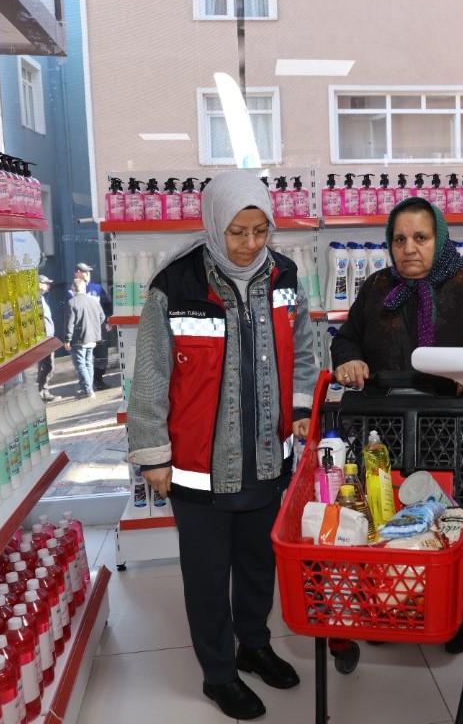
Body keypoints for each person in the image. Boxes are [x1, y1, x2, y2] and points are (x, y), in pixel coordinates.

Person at [126, 170, 317, 721]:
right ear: (213, 224)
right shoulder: (176, 284)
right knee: (207, 574)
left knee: (259, 561)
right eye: (237, 231)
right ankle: (218, 673)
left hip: (266, 454)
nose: (250, 244)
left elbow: (303, 351)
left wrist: (302, 411)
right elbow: (151, 376)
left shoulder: (284, 274)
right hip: (196, 466)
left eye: (261, 230)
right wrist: (153, 453)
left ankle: (254, 645)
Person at [330, 197, 463, 389]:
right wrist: (350, 360)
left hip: (460, 411)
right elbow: (347, 338)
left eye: (421, 238)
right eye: (400, 240)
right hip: (384, 410)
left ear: (440, 240)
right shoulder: (378, 285)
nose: (409, 249)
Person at [67, 262, 113, 390]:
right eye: (85, 271)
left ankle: (98, 380)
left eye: (89, 272)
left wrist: (109, 322)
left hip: (98, 329)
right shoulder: (71, 293)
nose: (88, 274)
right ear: (77, 273)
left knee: (101, 356)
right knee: (83, 360)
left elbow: (107, 306)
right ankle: (86, 384)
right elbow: (68, 316)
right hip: (81, 333)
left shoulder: (96, 288)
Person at [64, 278, 106, 399]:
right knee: (88, 363)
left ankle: (87, 390)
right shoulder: (93, 301)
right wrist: (93, 327)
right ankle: (88, 388)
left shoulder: (72, 303)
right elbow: (102, 317)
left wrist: (67, 340)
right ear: (84, 288)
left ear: (73, 289)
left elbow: (69, 324)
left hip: (79, 338)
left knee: (81, 365)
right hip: (92, 337)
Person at [36, 275, 59, 402]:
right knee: (46, 366)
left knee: (49, 366)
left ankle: (44, 390)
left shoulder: (41, 298)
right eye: (46, 283)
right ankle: (41, 391)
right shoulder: (36, 299)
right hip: (43, 339)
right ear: (39, 284)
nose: (48, 286)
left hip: (48, 338)